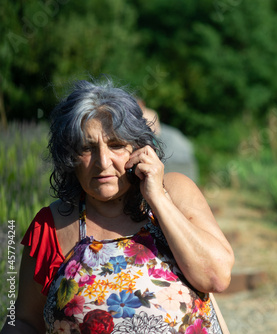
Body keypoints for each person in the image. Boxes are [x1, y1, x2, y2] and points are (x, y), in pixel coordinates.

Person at [1, 78, 234, 334]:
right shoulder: (51, 226)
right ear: (69, 158)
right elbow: (23, 320)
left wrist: (156, 197)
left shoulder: (174, 192)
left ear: (139, 148)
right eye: (87, 148)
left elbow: (215, 277)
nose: (103, 162)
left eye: (116, 145)